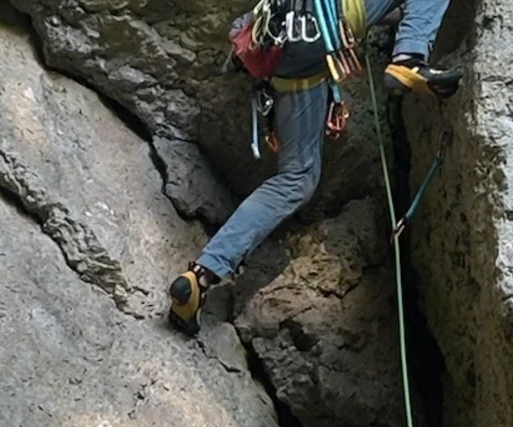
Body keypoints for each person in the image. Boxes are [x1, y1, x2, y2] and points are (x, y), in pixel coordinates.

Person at [167, 0, 461, 335]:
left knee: (296, 179)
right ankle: (409, 59)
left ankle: (200, 276)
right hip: (326, 20)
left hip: (285, 47)